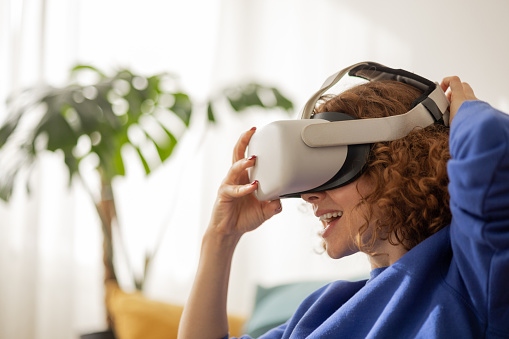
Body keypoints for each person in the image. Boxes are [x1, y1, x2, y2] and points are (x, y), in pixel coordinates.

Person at [177, 74, 509, 338]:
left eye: (335, 168)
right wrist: (220, 237)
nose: (309, 196)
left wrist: (466, 111)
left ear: (398, 161)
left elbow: (493, 149)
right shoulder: (323, 310)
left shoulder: (473, 278)